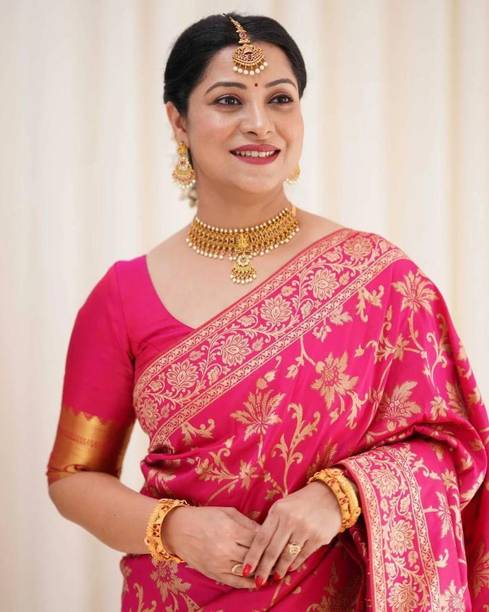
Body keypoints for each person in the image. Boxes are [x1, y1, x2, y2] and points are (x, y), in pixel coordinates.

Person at [46, 12, 489, 611]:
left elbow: (454, 447)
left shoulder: (379, 279)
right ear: (178, 120)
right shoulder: (122, 295)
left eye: (280, 99)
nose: (259, 123)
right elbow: (74, 477)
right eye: (228, 100)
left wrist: (341, 495)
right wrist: (173, 528)